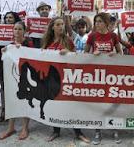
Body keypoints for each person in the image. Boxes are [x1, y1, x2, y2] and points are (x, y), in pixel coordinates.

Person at [42, 17, 90, 143]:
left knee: (71, 105)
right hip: (51, 79)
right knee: (54, 104)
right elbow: (41, 56)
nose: (61, 27)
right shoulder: (47, 41)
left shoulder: (68, 40)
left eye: (62, 24)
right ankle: (56, 131)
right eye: (58, 24)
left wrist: (68, 51)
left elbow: (75, 56)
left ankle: (78, 132)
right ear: (52, 27)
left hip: (66, 78)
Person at [84, 12, 122, 145]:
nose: (97, 24)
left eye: (100, 21)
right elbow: (84, 55)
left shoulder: (113, 36)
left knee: (113, 102)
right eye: (96, 22)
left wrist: (114, 54)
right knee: (98, 102)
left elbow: (121, 54)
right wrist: (93, 55)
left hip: (112, 75)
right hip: (97, 75)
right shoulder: (92, 36)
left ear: (106, 23)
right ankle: (97, 131)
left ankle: (115, 129)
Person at [0, 22, 33, 140]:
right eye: (15, 29)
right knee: (11, 101)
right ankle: (11, 127)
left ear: (24, 31)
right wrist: (4, 52)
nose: (17, 31)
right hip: (12, 78)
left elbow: (32, 57)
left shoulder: (28, 43)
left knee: (24, 101)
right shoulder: (10, 45)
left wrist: (22, 49)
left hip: (25, 78)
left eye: (19, 29)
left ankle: (25, 128)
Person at [0, 11, 21, 122]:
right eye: (6, 18)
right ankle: (4, 111)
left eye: (10, 17)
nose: (8, 19)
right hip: (3, 63)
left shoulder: (20, 32)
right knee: (3, 88)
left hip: (16, 65)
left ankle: (17, 110)